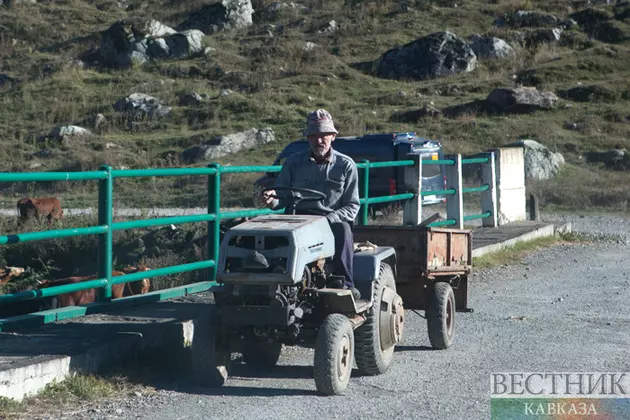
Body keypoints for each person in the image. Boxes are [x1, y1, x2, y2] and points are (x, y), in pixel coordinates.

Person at [263, 109, 361, 299]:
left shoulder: (346, 165)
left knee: (344, 230)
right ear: (308, 138)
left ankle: (345, 283)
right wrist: (272, 199)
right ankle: (271, 281)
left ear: (333, 136)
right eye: (314, 135)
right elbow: (281, 197)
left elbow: (352, 206)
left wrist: (328, 219)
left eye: (324, 135)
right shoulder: (293, 163)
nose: (319, 140)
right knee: (269, 232)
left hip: (331, 221)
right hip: (298, 218)